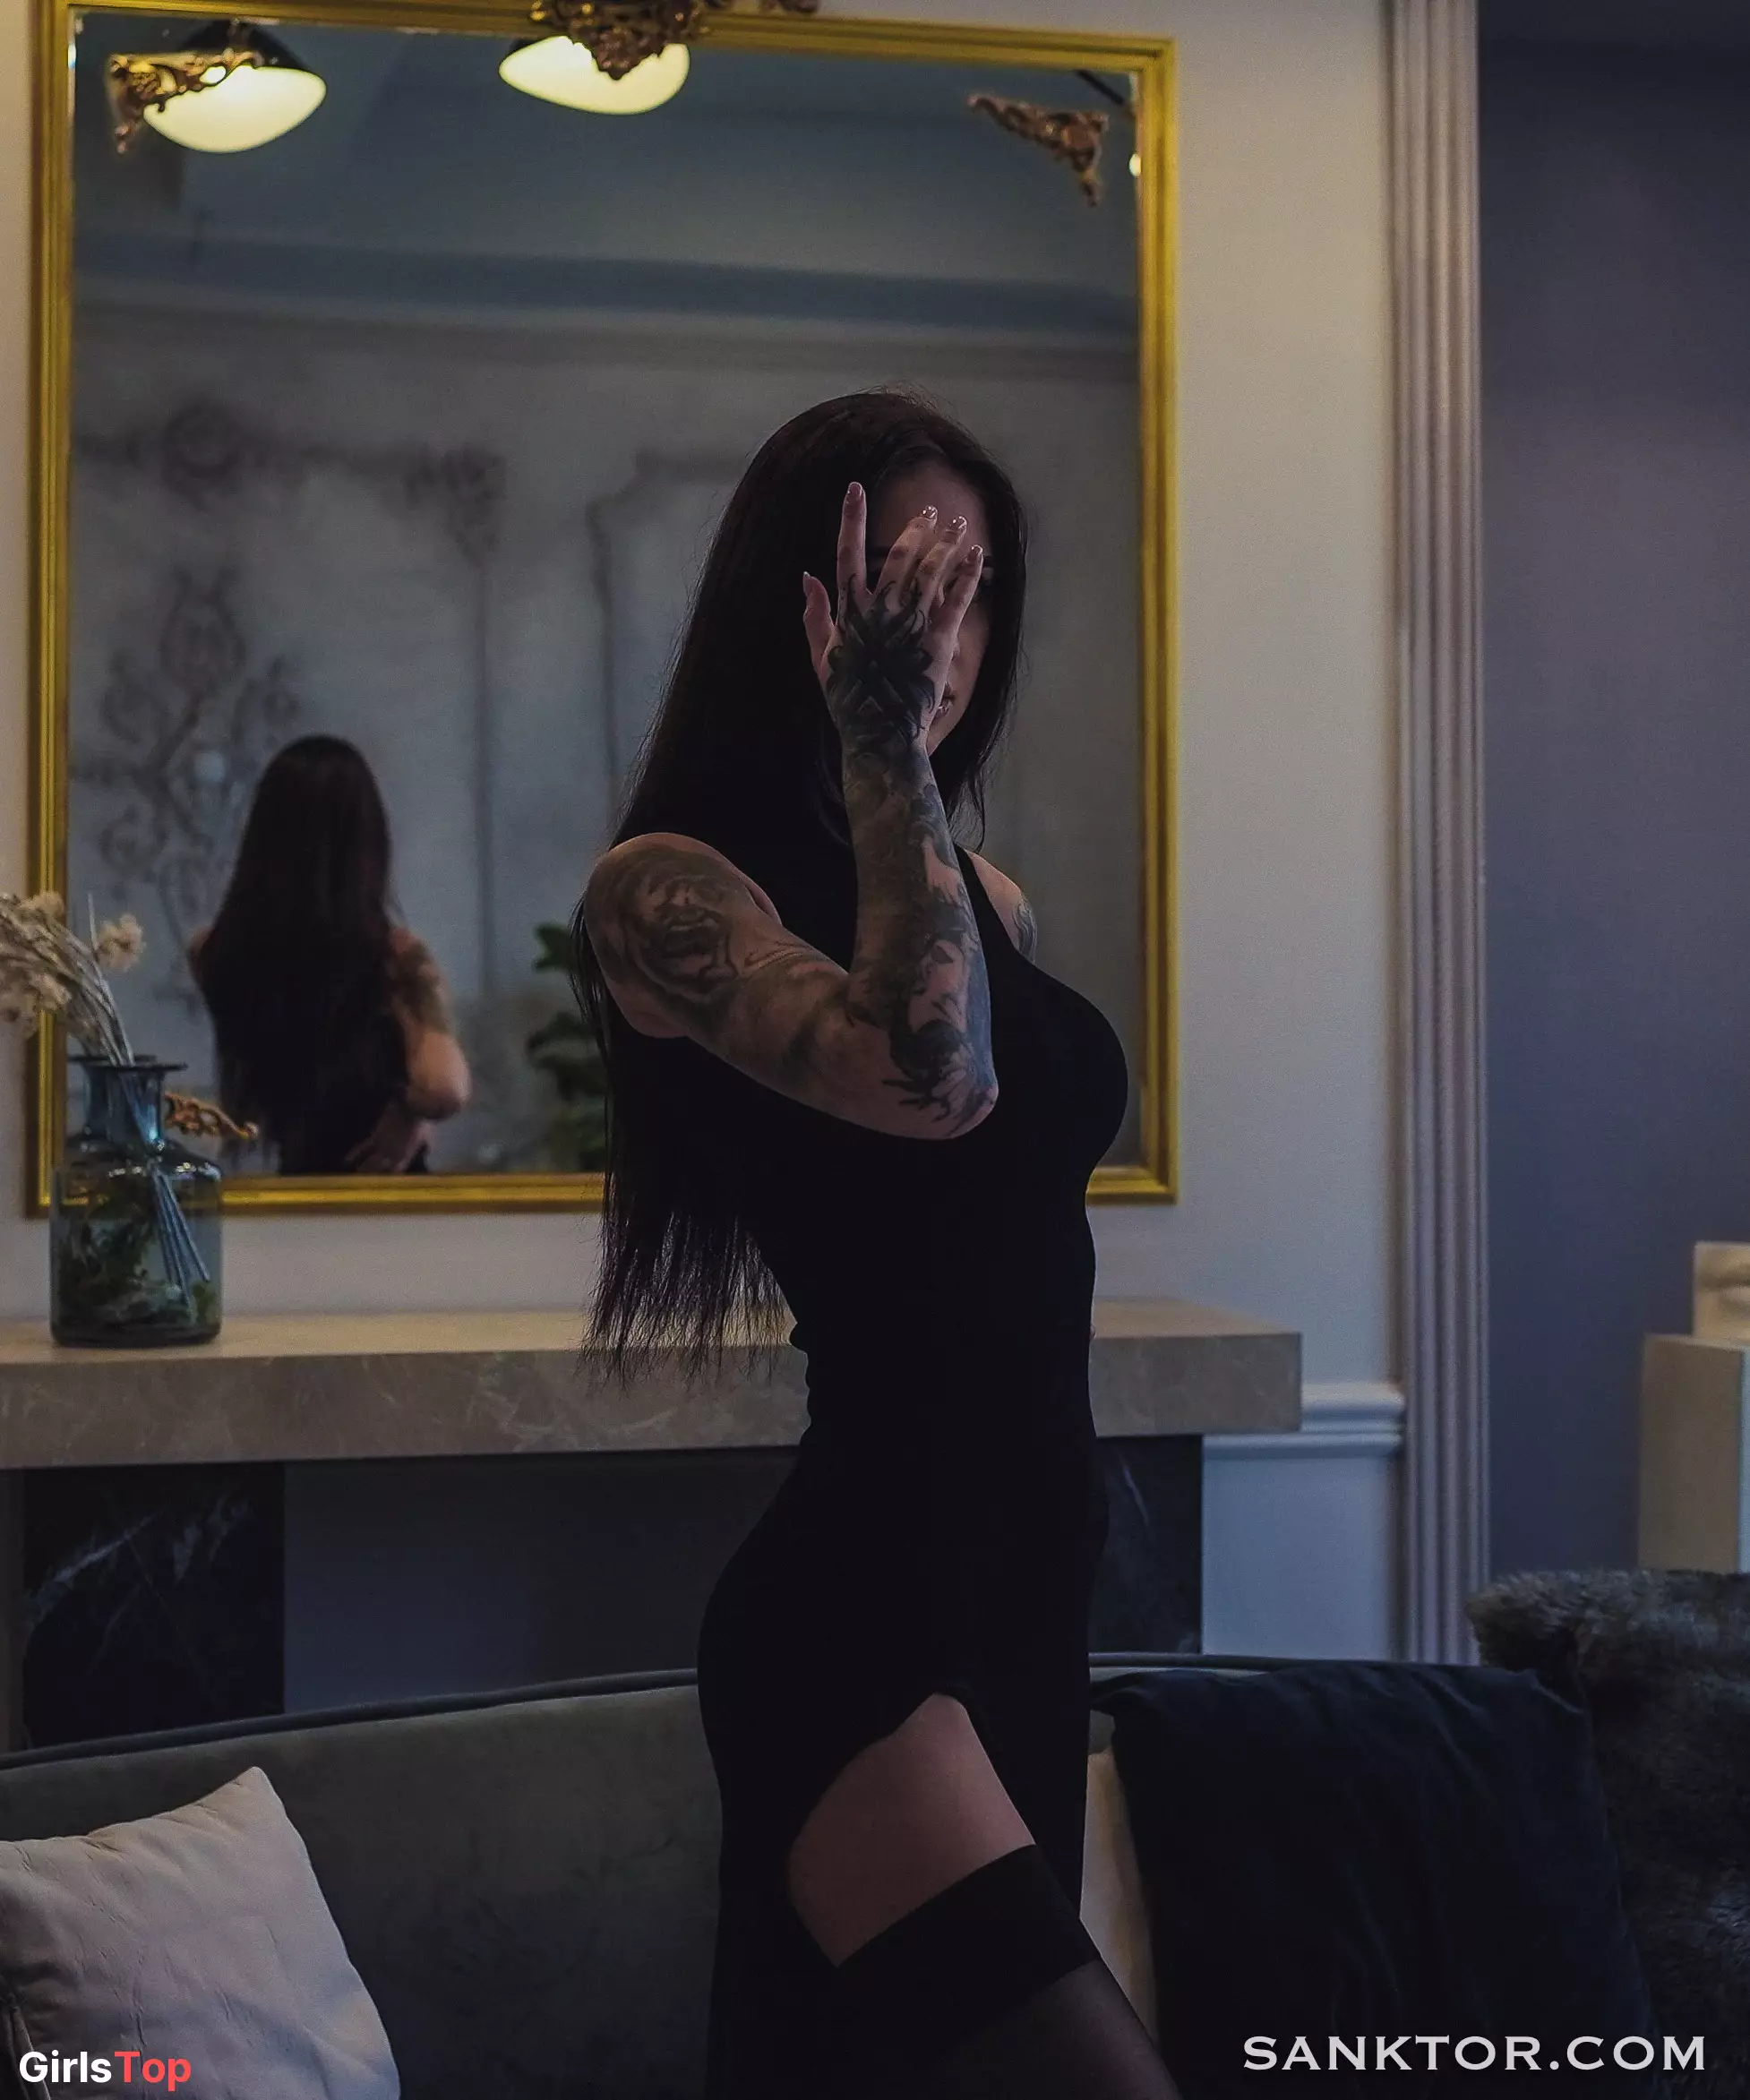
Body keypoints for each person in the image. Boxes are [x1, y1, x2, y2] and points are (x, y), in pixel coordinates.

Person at [574, 391, 1177, 2099]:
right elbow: (930, 1082)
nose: (942, 634)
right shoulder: (665, 888)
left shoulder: (983, 901)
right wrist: (881, 745)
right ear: (802, 597)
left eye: (969, 591)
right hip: (857, 1627)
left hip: (1024, 1593)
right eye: (905, 583)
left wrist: (895, 780)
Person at [191, 733, 470, 1174]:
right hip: (386, 1185)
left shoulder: (213, 954)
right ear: (365, 841)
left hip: (299, 1182)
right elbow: (445, 1089)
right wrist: (411, 1114)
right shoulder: (395, 958)